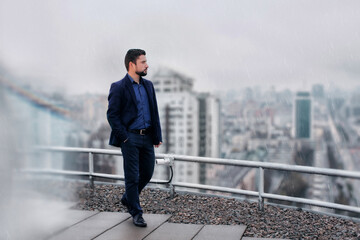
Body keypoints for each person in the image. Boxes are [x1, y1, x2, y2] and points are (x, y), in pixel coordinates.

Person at [107, 49, 162, 227]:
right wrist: (124, 137)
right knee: (132, 177)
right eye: (143, 62)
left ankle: (128, 198)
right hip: (129, 138)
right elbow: (112, 115)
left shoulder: (149, 86)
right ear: (132, 64)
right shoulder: (119, 87)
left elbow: (154, 112)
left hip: (147, 137)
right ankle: (136, 212)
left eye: (146, 62)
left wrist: (157, 136)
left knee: (147, 172)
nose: (147, 65)